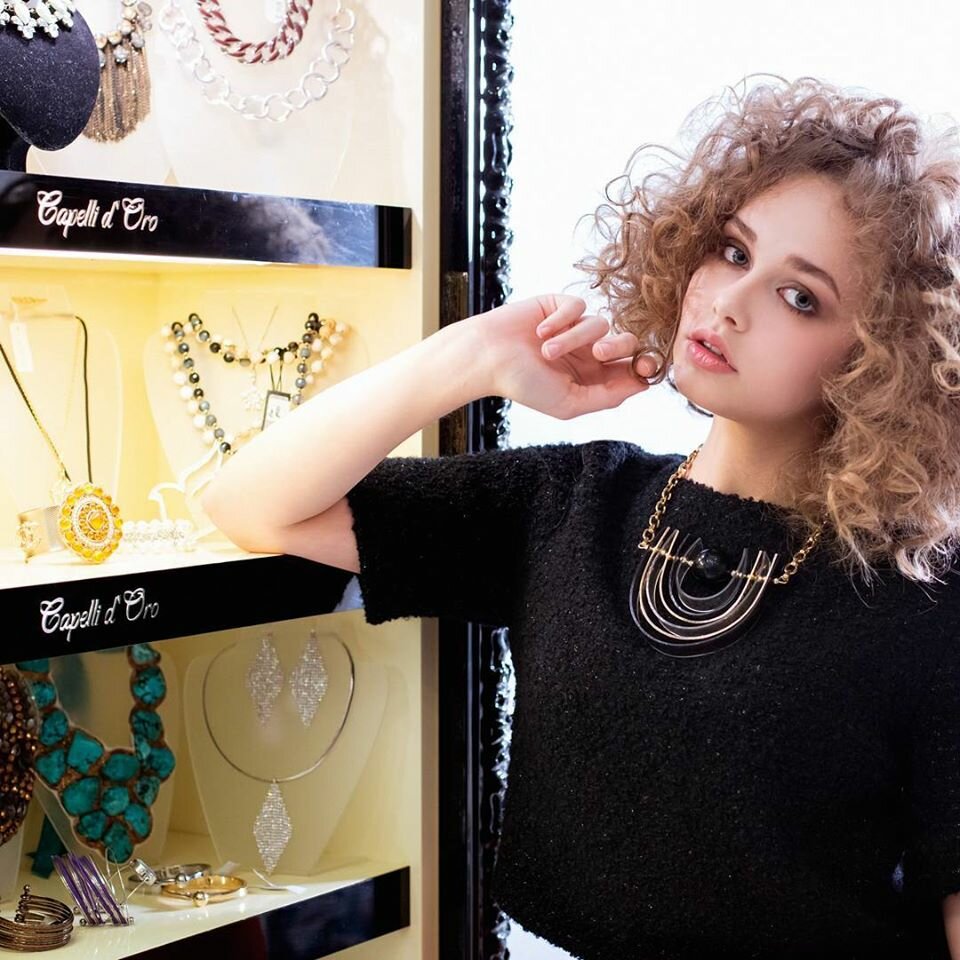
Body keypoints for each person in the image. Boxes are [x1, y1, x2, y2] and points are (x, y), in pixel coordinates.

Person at [200, 74, 960, 959]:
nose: (727, 303)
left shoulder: (924, 599)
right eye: (731, 251)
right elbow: (251, 504)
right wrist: (473, 357)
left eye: (801, 297)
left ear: (881, 362)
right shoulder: (574, 504)